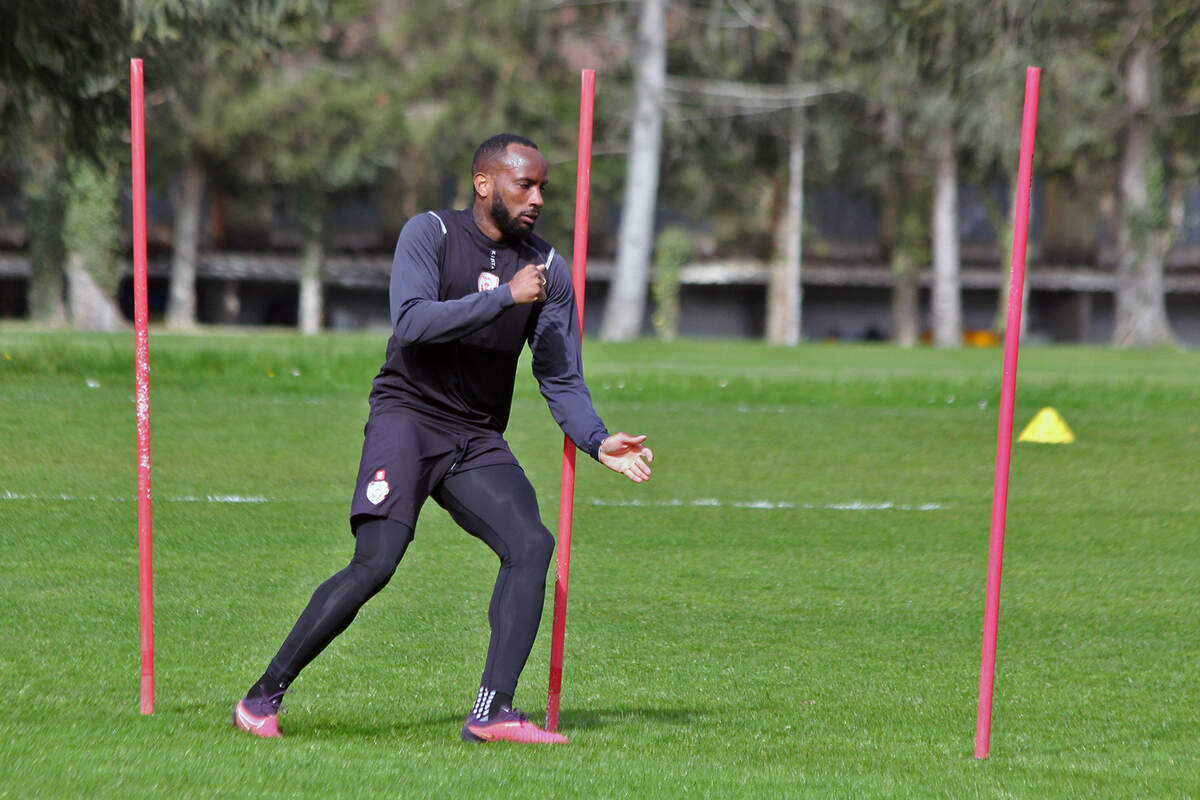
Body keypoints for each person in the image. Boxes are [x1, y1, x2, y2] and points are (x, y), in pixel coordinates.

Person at [233, 133, 653, 745]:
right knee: (376, 562)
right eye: (524, 184)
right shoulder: (428, 233)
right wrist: (504, 298)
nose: (537, 198)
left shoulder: (547, 268)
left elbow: (559, 373)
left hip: (476, 435)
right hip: (408, 416)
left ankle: (493, 711)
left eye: (543, 188)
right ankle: (261, 697)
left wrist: (596, 439)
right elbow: (413, 322)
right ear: (485, 184)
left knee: (531, 545)